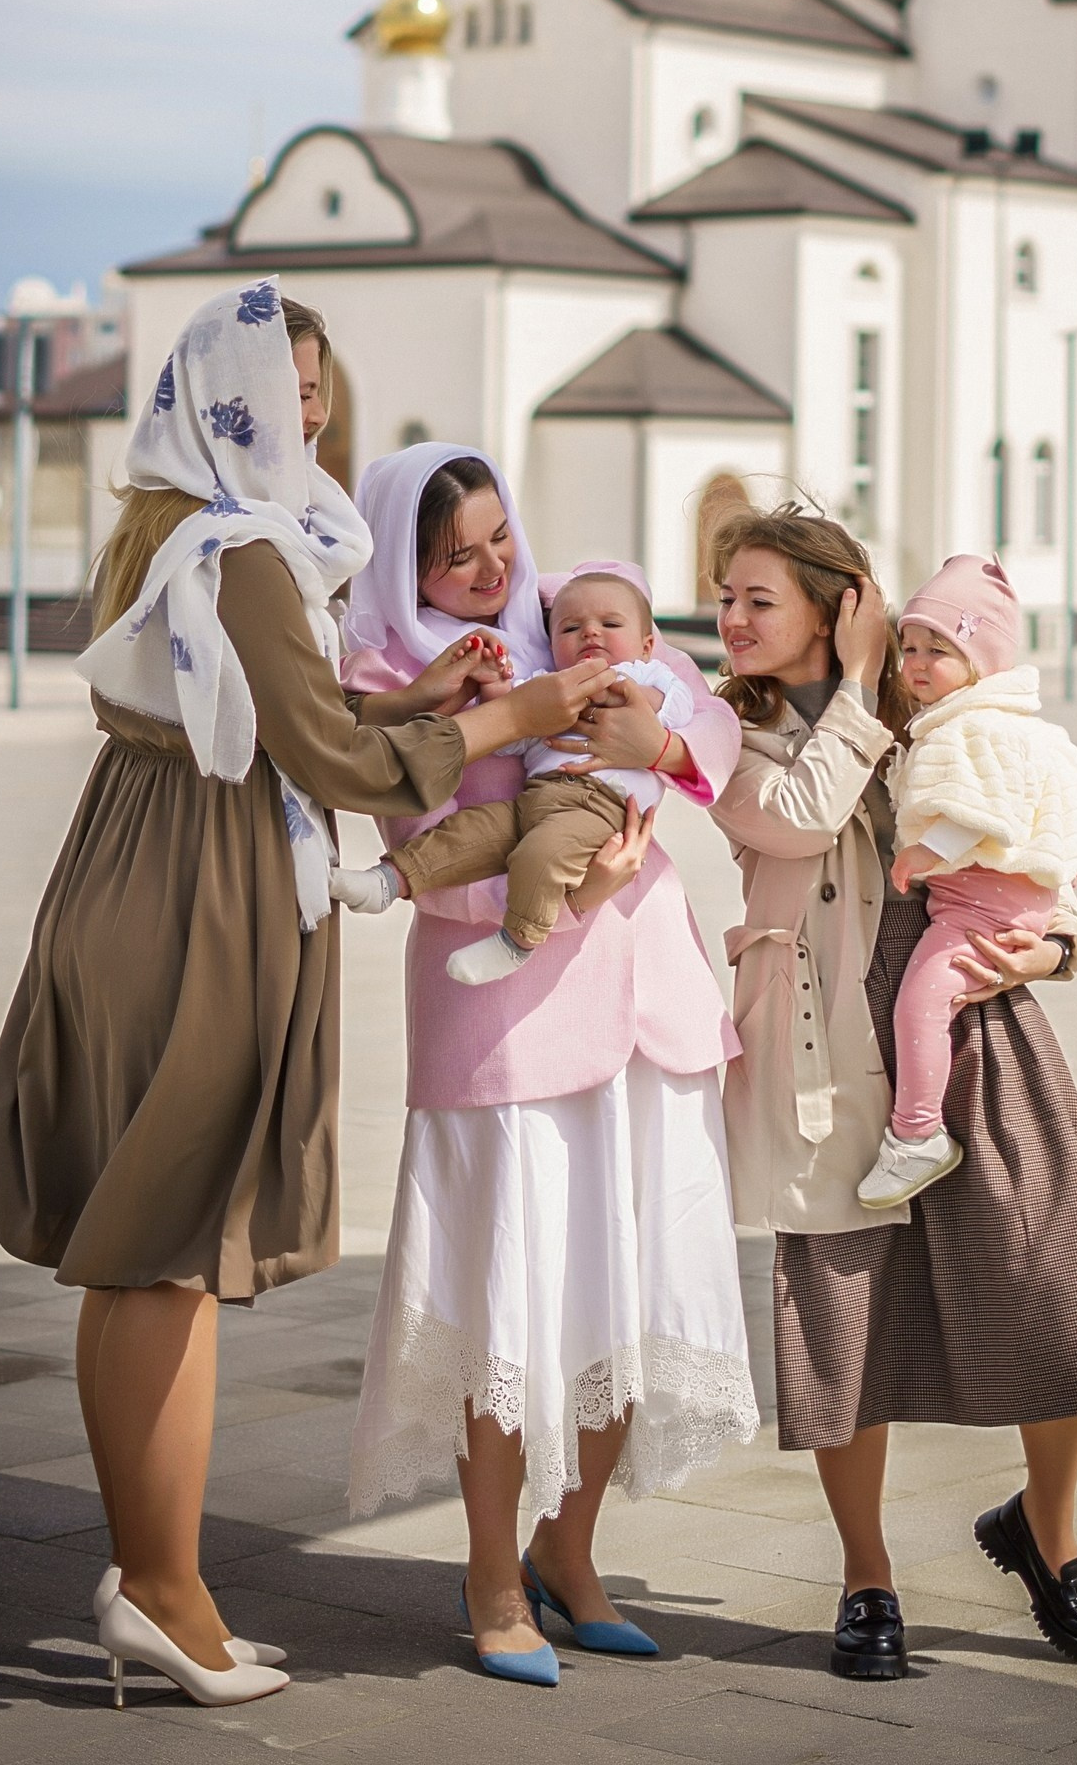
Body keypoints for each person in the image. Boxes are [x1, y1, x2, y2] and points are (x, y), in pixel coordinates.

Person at [0, 288, 591, 1711]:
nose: (310, 412)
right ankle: (162, 1592)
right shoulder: (248, 544)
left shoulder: (189, 522)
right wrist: (509, 718)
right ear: (229, 394)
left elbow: (277, 709)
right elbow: (320, 755)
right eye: (285, 386)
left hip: (150, 871)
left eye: (320, 387)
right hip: (200, 897)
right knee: (167, 1258)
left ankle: (153, 1577)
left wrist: (415, 692)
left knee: (147, 1252)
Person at [708, 505, 1077, 1683]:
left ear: (832, 600)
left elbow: (1035, 841)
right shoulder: (724, 734)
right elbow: (797, 818)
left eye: (760, 596)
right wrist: (862, 683)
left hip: (974, 1044)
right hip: (822, 1060)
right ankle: (866, 1576)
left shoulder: (941, 703)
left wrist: (1056, 946)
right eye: (727, 596)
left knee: (1056, 1288)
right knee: (842, 1330)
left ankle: (1046, 1540)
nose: (733, 619)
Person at [339, 446, 758, 1687]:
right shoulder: (386, 674)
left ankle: (567, 1553)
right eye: (452, 554)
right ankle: (486, 1579)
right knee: (509, 1313)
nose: (487, 569)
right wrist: (583, 883)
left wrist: (660, 749)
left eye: (494, 537)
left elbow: (708, 719)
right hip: (507, 1023)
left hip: (649, 1013)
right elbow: (428, 846)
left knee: (638, 1291)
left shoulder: (577, 611)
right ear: (404, 565)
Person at [858, 554, 1077, 1209]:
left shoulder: (979, 729)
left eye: (936, 650)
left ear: (981, 659)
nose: (914, 663)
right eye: (906, 646)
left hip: (983, 913)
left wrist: (923, 852)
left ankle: (917, 1135)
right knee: (928, 1002)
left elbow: (986, 810)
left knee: (922, 1002)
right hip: (990, 907)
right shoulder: (969, 725)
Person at [328, 562, 695, 985]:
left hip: (597, 807)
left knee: (542, 855)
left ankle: (518, 941)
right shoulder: (550, 683)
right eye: (571, 630)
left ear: (647, 644)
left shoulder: (649, 674)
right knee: (466, 833)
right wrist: (499, 691)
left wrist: (634, 697)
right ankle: (387, 881)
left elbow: (680, 707)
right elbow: (512, 739)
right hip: (535, 797)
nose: (590, 634)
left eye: (609, 624)